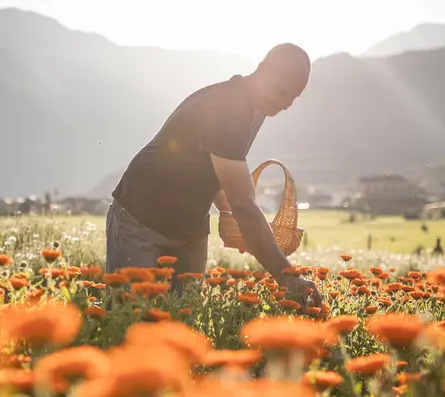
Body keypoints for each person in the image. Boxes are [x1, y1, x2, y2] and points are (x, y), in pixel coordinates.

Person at [107, 43, 322, 306]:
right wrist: (287, 276)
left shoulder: (259, 106)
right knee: (129, 317)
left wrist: (242, 224)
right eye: (282, 91)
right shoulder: (229, 109)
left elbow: (219, 174)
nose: (286, 103)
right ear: (263, 70)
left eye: (294, 96)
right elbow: (243, 204)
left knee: (183, 319)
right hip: (141, 218)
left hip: (189, 227)